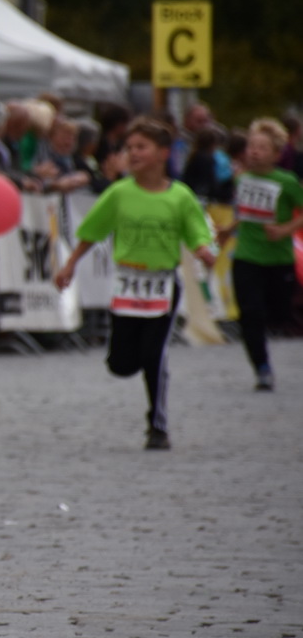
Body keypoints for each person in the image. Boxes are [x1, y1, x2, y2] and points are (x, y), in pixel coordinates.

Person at [55, 117, 215, 450]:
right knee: (121, 364)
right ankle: (142, 361)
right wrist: (69, 265)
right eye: (129, 148)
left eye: (141, 147)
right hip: (128, 286)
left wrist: (203, 249)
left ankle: (157, 426)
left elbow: (197, 230)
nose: (133, 153)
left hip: (162, 287)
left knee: (155, 355)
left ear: (162, 153)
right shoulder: (120, 193)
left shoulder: (180, 196)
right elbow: (92, 231)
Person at [218, 118, 301, 391]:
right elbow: (244, 211)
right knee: (250, 314)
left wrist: (284, 229)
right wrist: (229, 230)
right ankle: (262, 367)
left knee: (278, 312)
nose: (254, 151)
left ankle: (272, 332)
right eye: (252, 146)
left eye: (262, 147)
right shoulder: (242, 178)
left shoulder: (287, 181)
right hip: (246, 255)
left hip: (278, 259)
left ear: (277, 154)